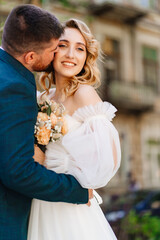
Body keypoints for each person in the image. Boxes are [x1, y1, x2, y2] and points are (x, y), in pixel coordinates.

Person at [0, 5, 90, 240]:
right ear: (30, 57)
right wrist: (78, 191)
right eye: (55, 49)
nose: (59, 55)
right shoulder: (16, 88)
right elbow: (17, 172)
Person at [28, 18, 121, 240]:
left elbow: (109, 157)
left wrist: (77, 173)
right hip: (41, 198)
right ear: (51, 51)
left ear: (86, 57)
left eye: (80, 48)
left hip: (69, 203)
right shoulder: (43, 98)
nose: (71, 54)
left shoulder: (83, 93)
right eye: (63, 45)